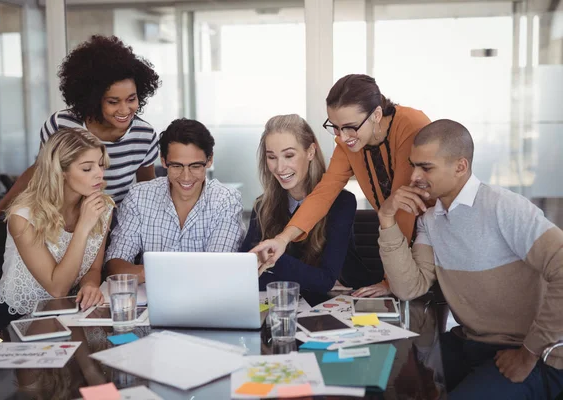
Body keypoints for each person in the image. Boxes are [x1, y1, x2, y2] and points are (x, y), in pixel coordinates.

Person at [376, 119, 563, 399]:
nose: (413, 176)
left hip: (536, 354)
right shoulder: (430, 220)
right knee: (389, 378)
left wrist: (528, 353)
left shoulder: (504, 207)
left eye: (426, 167)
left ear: (460, 167)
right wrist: (386, 219)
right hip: (472, 343)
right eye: (413, 164)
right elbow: (408, 287)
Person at [251, 74, 431, 297]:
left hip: (430, 230)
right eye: (335, 127)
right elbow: (323, 194)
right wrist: (282, 239)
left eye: (350, 127)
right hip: (398, 239)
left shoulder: (410, 126)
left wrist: (389, 281)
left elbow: (404, 206)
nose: (342, 138)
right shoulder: (348, 142)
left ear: (376, 114)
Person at [0, 35, 160, 236]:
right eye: (113, 101)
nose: (124, 109)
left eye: (131, 99)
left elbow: (147, 190)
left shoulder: (144, 134)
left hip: (116, 226)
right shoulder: (61, 124)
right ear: (93, 99)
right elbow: (38, 172)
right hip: (63, 224)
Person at [0, 128, 114, 333]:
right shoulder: (22, 216)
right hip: (18, 319)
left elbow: (93, 269)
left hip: (69, 314)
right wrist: (83, 227)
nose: (99, 174)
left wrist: (90, 285)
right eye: (86, 169)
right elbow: (57, 289)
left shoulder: (102, 207)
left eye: (101, 165)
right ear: (61, 172)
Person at [240, 114, 381, 294]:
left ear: (310, 152)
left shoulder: (341, 203)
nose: (280, 167)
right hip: (288, 305)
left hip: (343, 302)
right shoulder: (262, 205)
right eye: (272, 157)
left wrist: (271, 261)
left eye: (289, 155)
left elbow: (324, 282)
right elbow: (244, 272)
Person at [105, 118, 245, 283]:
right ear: (163, 161)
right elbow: (114, 264)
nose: (186, 177)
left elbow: (216, 270)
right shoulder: (139, 196)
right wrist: (153, 273)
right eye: (177, 166)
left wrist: (154, 273)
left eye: (195, 166)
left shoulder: (225, 200)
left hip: (205, 301)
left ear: (209, 160)